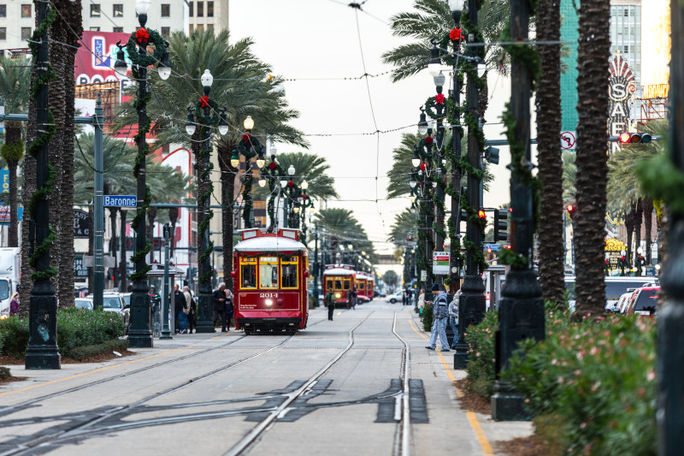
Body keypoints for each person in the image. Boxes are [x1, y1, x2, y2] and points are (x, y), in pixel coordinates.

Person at [425, 283, 450, 352]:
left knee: (441, 332)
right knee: (434, 331)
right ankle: (432, 345)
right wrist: (431, 304)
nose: (431, 292)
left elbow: (442, 309)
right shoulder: (438, 296)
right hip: (438, 318)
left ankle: (446, 346)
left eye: (432, 291)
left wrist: (439, 317)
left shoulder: (441, 297)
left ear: (435, 290)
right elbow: (438, 307)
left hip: (441, 318)